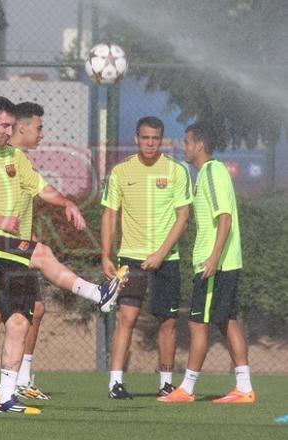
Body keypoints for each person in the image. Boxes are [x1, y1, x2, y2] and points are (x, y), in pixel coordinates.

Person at [0, 96, 128, 414]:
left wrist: (67, 202)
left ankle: (5, 399)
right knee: (41, 252)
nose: (8, 131)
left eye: (11, 126)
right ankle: (97, 293)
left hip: (12, 253)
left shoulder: (13, 156)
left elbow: (41, 188)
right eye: (4, 125)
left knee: (19, 321)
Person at [158, 122, 254, 403]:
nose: (183, 147)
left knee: (197, 324)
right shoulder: (207, 174)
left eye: (186, 142)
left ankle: (187, 389)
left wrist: (213, 258)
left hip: (216, 265)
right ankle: (244, 388)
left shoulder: (212, 171)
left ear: (199, 145)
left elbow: (225, 217)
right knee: (227, 322)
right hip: (221, 262)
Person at [100, 116, 192, 399]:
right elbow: (109, 214)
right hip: (130, 256)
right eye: (145, 137)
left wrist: (161, 253)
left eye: (155, 138)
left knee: (167, 321)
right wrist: (106, 255)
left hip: (167, 258)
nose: (150, 143)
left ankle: (165, 383)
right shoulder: (120, 171)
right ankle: (115, 382)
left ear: (162, 139)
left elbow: (183, 217)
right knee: (126, 317)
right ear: (136, 138)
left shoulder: (177, 170)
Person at [0, 102, 50, 401]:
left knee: (35, 310)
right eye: (39, 127)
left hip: (20, 249)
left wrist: (31, 241)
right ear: (22, 127)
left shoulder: (18, 159)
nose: (42, 133)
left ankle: (21, 379)